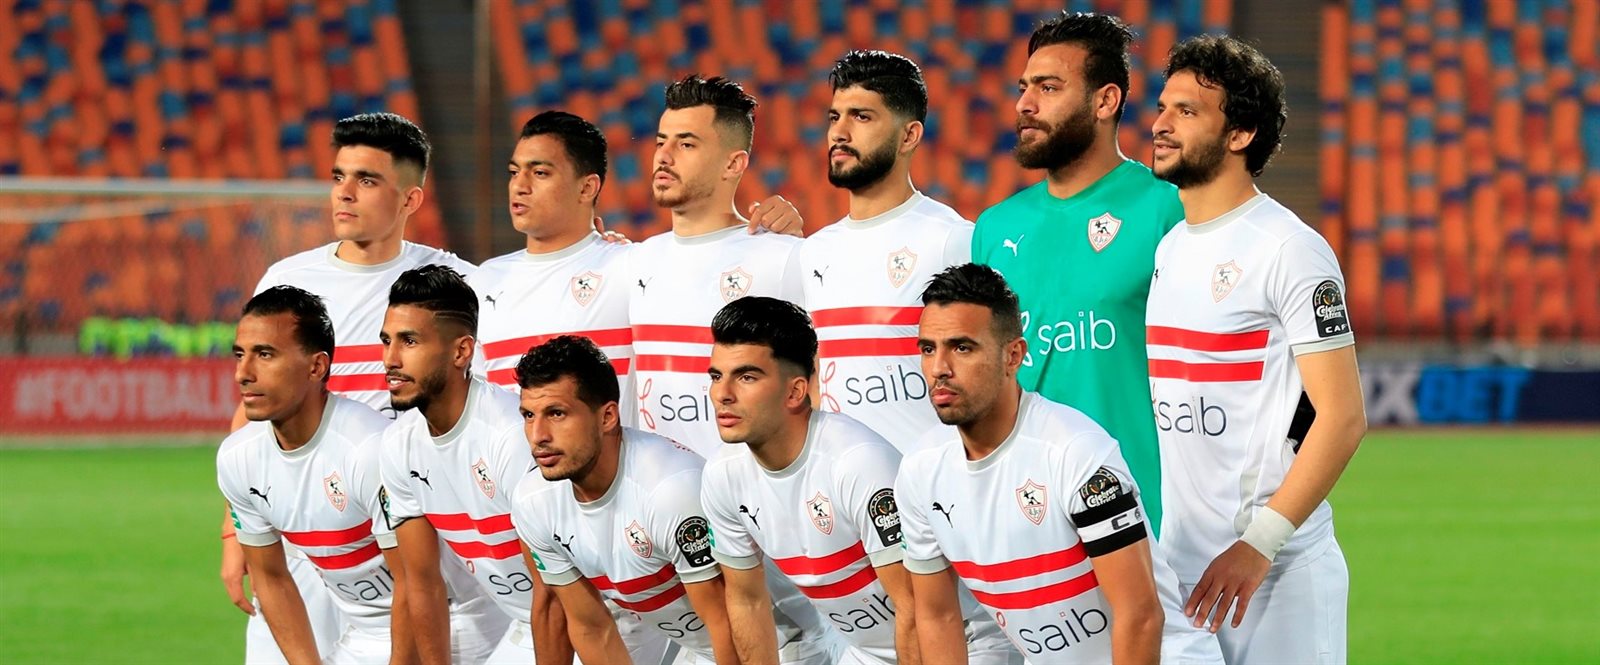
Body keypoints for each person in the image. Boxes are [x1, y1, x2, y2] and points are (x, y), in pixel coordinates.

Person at [220, 112, 481, 663]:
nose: (344, 192)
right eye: (339, 176)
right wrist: (232, 529)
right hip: (304, 533)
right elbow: (255, 411)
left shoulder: (454, 285)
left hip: (404, 534)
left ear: (410, 199)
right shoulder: (287, 280)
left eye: (366, 180)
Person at [1147, 35, 1365, 663]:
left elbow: (1343, 416)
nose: (1160, 124)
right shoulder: (1171, 248)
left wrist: (1259, 543)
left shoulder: (1289, 250)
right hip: (1182, 571)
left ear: (1240, 134)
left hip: (1273, 576)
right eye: (1163, 107)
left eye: (1187, 111)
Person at [896, 264, 1221, 665]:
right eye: (928, 349)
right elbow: (938, 616)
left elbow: (1139, 616)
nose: (939, 369)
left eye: (962, 347)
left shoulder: (1074, 453)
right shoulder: (920, 471)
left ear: (1013, 355)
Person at [700, 297, 1016, 664]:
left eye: (746, 377)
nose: (722, 394)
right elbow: (747, 601)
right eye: (716, 376)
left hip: (964, 645)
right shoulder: (722, 475)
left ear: (795, 391)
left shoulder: (857, 464)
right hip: (868, 654)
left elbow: (915, 609)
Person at [972, 12, 1183, 532]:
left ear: (1105, 101)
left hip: (1140, 515)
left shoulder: (1168, 210)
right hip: (1025, 521)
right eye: (1024, 88)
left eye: (1048, 88)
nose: (1025, 104)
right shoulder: (995, 228)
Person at [510, 335, 793, 665]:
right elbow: (592, 629)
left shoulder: (670, 490)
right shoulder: (534, 501)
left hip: (782, 647)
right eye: (528, 415)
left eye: (557, 413)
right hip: (705, 650)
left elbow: (727, 621)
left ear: (607, 417)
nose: (538, 435)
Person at [375, 265, 577, 665]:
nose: (390, 359)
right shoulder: (398, 445)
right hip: (525, 622)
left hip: (591, 619)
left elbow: (556, 592)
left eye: (409, 341)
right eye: (386, 341)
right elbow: (421, 584)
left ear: (461, 352)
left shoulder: (510, 436)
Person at [797, 50, 972, 454]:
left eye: (861, 117)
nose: (839, 132)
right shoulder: (813, 252)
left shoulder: (951, 240)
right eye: (834, 117)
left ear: (909, 136)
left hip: (929, 485)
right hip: (840, 487)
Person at [216, 286, 401, 664]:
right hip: (366, 634)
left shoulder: (368, 450)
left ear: (317, 367)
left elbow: (420, 588)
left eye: (264, 354)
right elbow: (271, 579)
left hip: (448, 623)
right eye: (240, 355)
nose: (242, 374)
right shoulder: (238, 458)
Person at [628, 75, 804, 457]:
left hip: (748, 491)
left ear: (733, 163)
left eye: (686, 143)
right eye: (661, 141)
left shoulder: (781, 258)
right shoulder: (634, 262)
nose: (663, 156)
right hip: (657, 490)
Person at [470, 111, 634, 405]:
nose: (519, 186)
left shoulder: (630, 268)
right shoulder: (484, 281)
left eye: (540, 173)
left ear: (587, 188)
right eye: (514, 172)